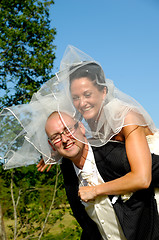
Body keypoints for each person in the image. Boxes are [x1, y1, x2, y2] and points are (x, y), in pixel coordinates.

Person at [38, 110, 159, 240]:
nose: (64, 139)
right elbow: (90, 225)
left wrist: (97, 190)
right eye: (56, 137)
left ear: (82, 128)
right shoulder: (68, 170)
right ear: (51, 145)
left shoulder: (114, 155)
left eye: (68, 130)